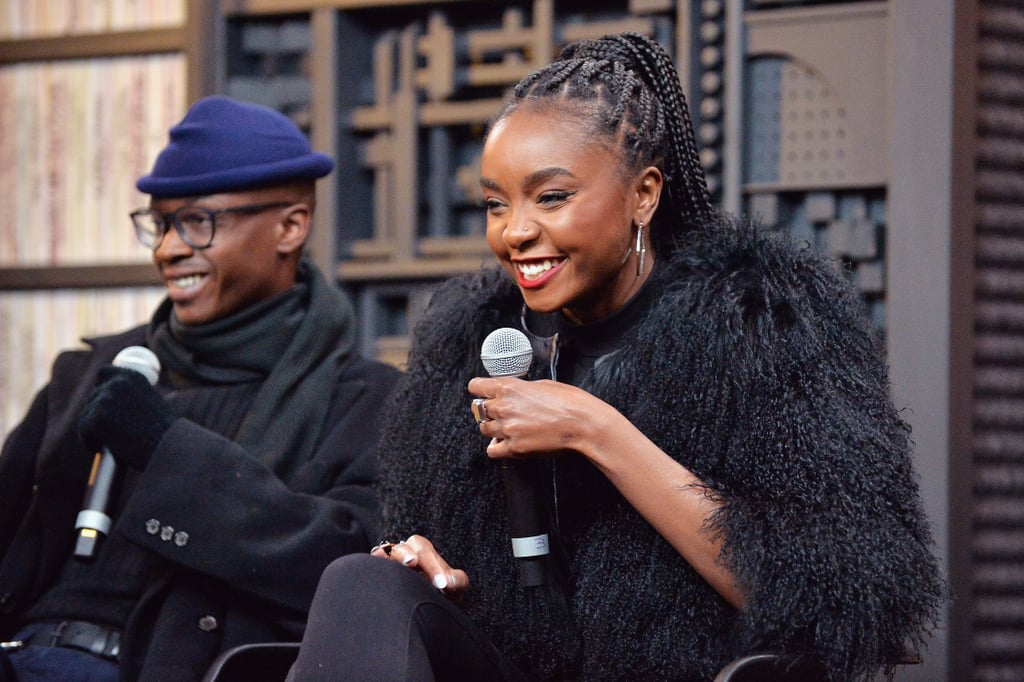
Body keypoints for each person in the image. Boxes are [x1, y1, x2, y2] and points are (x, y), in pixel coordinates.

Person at [287, 32, 944, 682]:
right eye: (495, 203)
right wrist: (427, 565)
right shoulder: (467, 339)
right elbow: (430, 549)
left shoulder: (759, 327)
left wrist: (594, 429)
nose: (515, 231)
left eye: (551, 197)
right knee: (363, 582)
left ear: (644, 194)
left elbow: (845, 599)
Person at [0, 95, 400, 681]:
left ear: (290, 226)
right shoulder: (95, 372)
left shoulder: (365, 400)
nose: (168, 249)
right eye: (160, 224)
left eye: (197, 222)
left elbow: (347, 565)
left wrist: (167, 450)